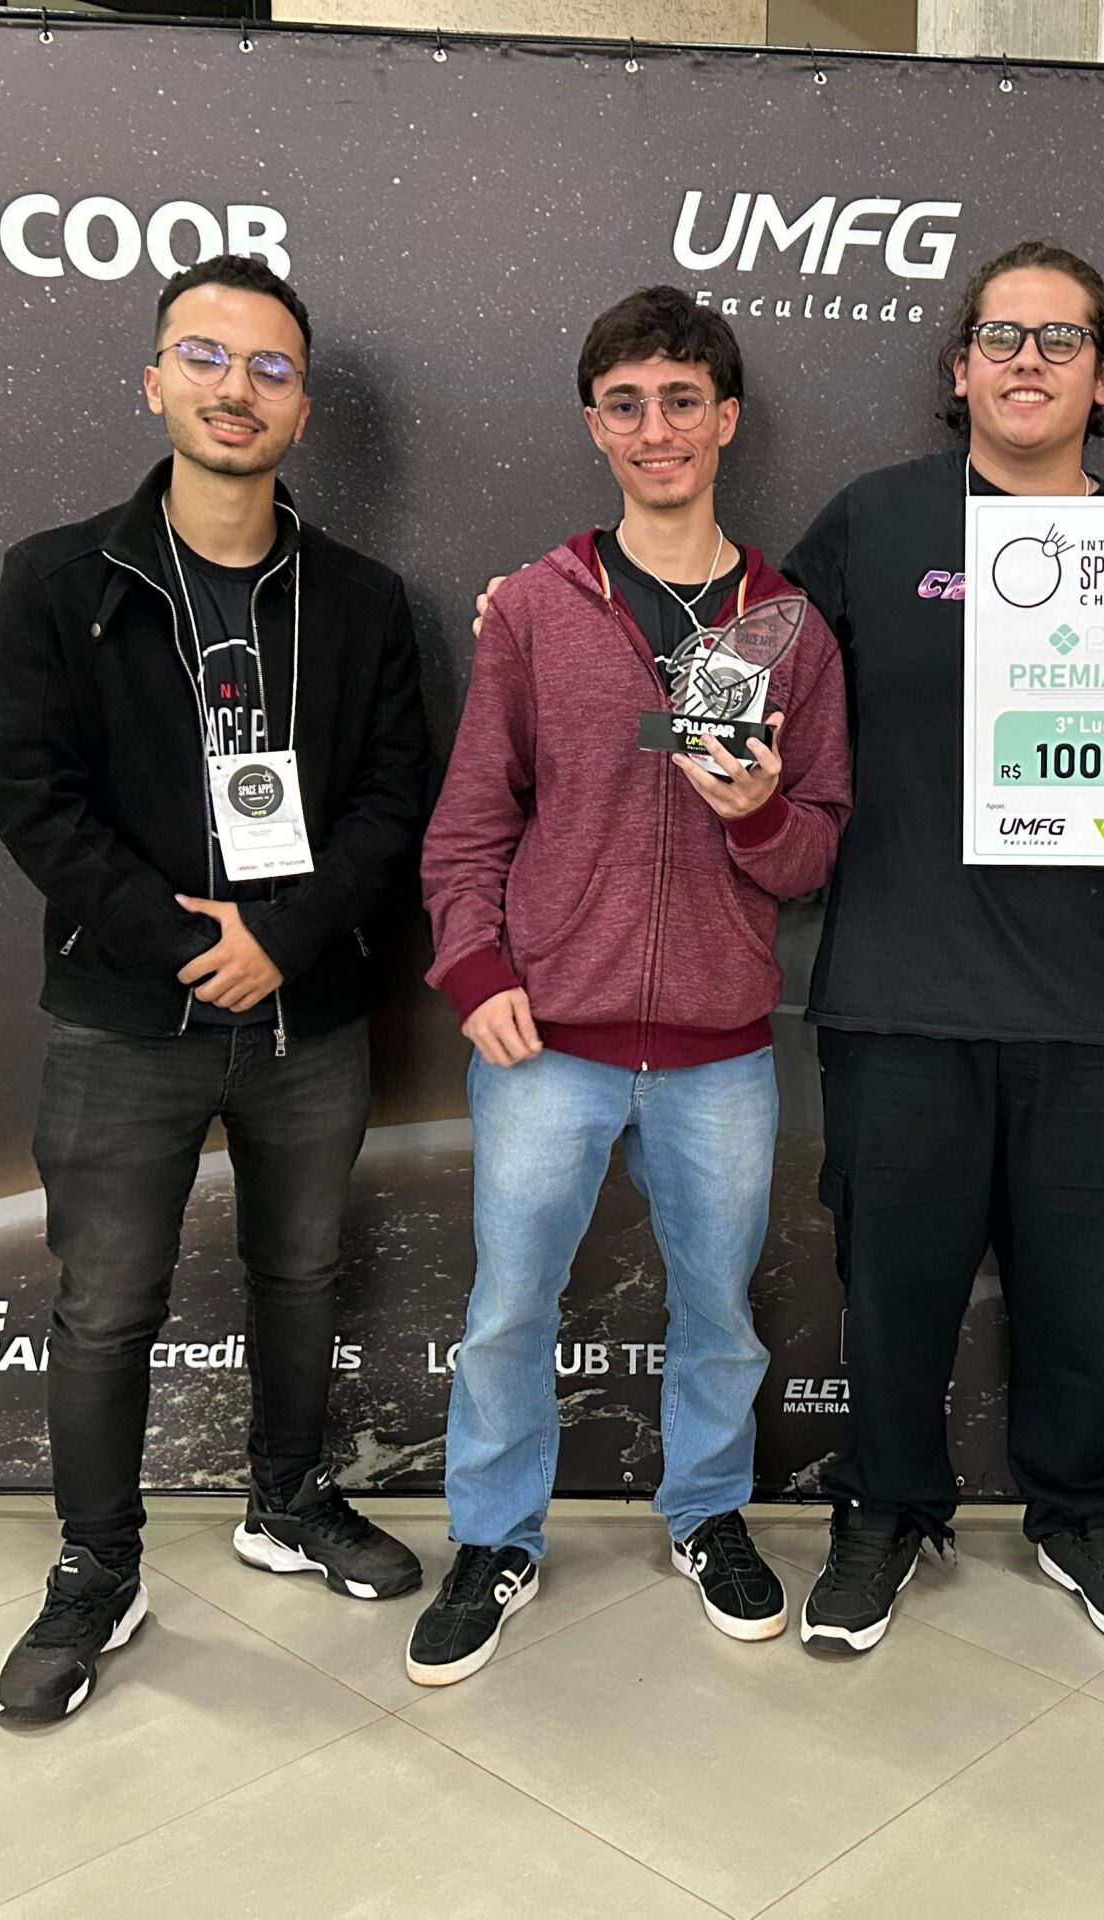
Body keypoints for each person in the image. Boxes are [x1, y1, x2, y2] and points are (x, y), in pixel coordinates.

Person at [779, 240, 1104, 1653]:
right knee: (894, 1295)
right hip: (902, 992)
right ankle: (884, 1511)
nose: (1028, 361)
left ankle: (1082, 1512)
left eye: (1061, 339)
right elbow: (743, 673)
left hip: (1099, 1006)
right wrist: (550, 621)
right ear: (960, 367)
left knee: (1080, 1298)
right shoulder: (877, 519)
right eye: (1001, 336)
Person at [0, 253, 430, 1723]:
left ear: (302, 408)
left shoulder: (361, 599)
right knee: (108, 1304)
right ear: (155, 381)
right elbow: (32, 797)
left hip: (307, 1015)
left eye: (272, 368)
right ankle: (99, 1570)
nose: (239, 389)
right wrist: (182, 944)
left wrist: (282, 939)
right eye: (208, 358)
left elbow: (395, 798)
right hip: (126, 1019)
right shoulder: (60, 580)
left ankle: (285, 1502)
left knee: (301, 1272)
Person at [409, 288, 850, 1687]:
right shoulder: (537, 609)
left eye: (682, 401)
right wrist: (474, 964)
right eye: (626, 404)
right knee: (508, 1310)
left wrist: (761, 814)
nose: (656, 429)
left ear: (727, 420)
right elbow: (470, 818)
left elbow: (818, 847)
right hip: (548, 1042)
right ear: (595, 426)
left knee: (718, 1310)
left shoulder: (789, 628)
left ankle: (708, 1514)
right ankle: (494, 1538)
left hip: (721, 1049)